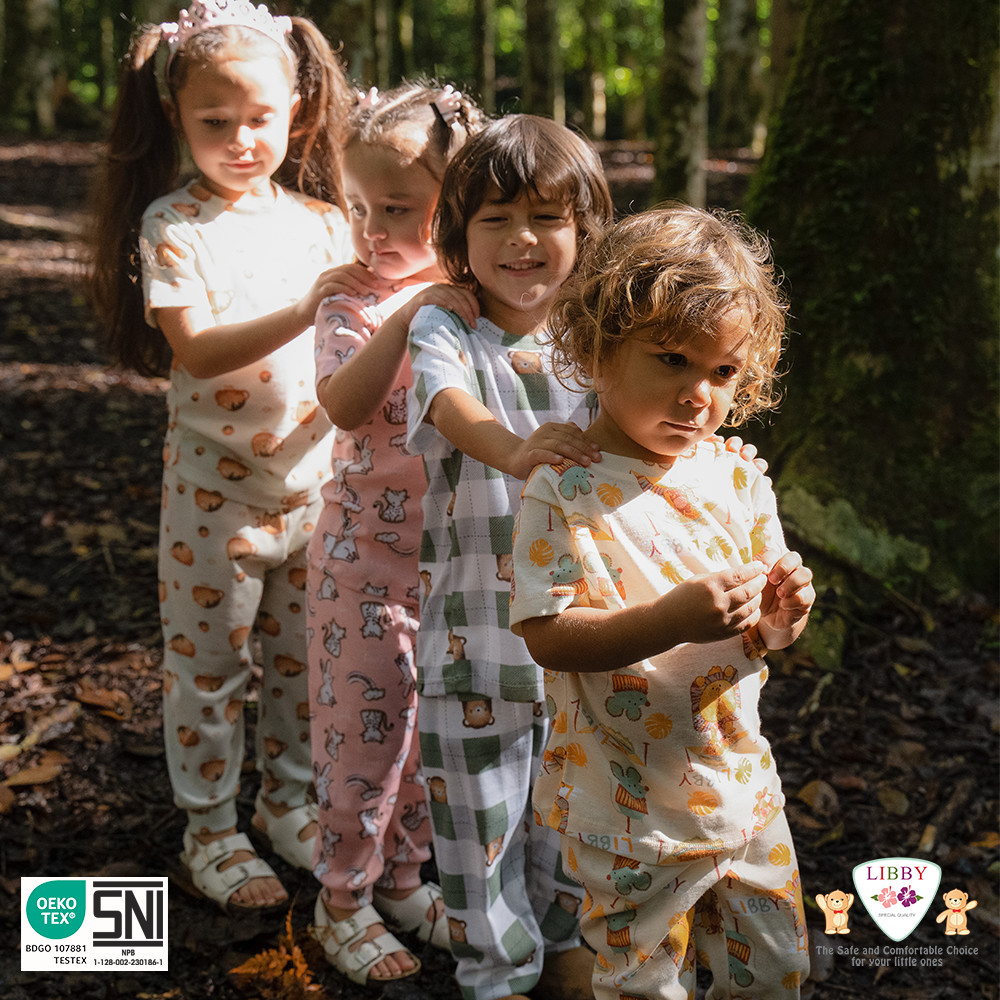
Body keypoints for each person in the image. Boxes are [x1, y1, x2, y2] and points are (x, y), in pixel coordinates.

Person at [87, 0, 356, 914]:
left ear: (297, 113)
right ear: (177, 116)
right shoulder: (175, 224)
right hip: (213, 499)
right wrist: (309, 306)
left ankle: (288, 805)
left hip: (317, 490)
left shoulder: (326, 223)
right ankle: (209, 828)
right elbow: (197, 351)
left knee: (305, 665)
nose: (240, 140)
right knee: (208, 669)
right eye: (215, 121)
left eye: (259, 118)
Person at [508, 204, 815, 1000]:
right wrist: (667, 622)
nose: (698, 395)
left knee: (776, 970)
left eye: (723, 372)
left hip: (741, 787)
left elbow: (765, 633)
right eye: (672, 359)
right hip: (624, 809)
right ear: (595, 348)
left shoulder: (739, 477)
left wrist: (782, 617)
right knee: (640, 981)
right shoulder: (564, 489)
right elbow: (546, 634)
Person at [404, 114, 613, 1000]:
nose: (522, 239)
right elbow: (446, 405)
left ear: (585, 232)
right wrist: (515, 450)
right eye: (495, 219)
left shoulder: (601, 342)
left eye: (547, 218)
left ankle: (565, 958)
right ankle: (494, 977)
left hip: (582, 643)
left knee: (570, 828)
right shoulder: (447, 328)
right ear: (459, 237)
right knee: (476, 841)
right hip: (473, 645)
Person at [303, 81, 485, 985]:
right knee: (363, 744)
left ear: (454, 207)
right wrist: (410, 311)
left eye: (399, 209)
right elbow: (343, 402)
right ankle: (341, 899)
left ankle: (406, 879)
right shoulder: (350, 304)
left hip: (449, 569)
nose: (373, 230)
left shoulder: (476, 302)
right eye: (359, 207)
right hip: (360, 570)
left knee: (426, 741)